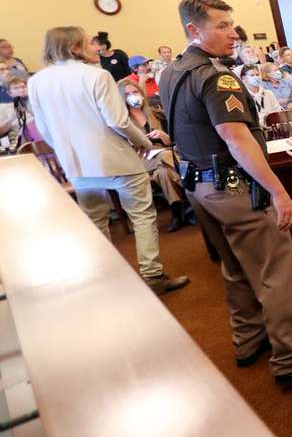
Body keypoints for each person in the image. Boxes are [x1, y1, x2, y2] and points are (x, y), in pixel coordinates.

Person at [160, 0, 292, 389]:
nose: (233, 33)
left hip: (198, 183)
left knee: (235, 267)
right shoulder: (216, 76)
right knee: (275, 271)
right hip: (231, 185)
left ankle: (248, 340)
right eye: (221, 26)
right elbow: (237, 139)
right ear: (194, 29)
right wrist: (278, 192)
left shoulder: (174, 70)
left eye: (231, 23)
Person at [28, 26, 190, 295]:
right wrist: (144, 142)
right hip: (115, 158)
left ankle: (105, 281)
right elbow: (117, 120)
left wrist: (69, 152)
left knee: (95, 222)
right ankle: (153, 275)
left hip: (76, 163)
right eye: (90, 43)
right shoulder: (97, 76)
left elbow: (44, 129)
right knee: (142, 215)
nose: (97, 48)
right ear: (74, 48)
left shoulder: (37, 82)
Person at [120, 79, 193, 232]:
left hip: (164, 157)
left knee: (163, 173)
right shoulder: (123, 121)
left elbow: (172, 142)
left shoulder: (156, 112)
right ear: (121, 98)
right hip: (141, 159)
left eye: (135, 92)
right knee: (165, 156)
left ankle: (178, 212)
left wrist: (162, 134)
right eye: (128, 94)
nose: (133, 96)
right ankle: (191, 190)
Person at [0, 72, 39, 153]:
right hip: (17, 145)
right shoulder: (3, 108)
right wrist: (12, 118)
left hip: (38, 140)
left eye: (23, 87)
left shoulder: (36, 104)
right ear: (9, 92)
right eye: (16, 88)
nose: (21, 90)